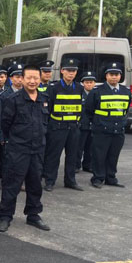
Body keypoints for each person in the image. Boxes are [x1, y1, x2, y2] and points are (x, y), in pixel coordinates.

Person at [0, 64, 50, 232]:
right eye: (29, 78)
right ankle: (5, 216)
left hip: (37, 150)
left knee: (35, 184)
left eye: (35, 78)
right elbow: (5, 124)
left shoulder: (44, 99)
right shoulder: (13, 99)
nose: (32, 81)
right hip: (18, 150)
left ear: (40, 79)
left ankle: (33, 215)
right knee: (11, 185)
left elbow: (46, 124)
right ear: (22, 79)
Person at [85, 62, 131, 189]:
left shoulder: (126, 92)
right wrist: (98, 123)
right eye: (111, 74)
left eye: (116, 74)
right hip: (102, 130)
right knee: (99, 156)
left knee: (113, 155)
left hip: (118, 130)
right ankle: (98, 178)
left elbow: (125, 109)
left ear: (120, 76)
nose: (114, 77)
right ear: (106, 76)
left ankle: (111, 177)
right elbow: (88, 110)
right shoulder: (97, 91)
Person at [42, 58, 84, 192]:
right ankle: (50, 181)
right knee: (53, 156)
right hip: (57, 128)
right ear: (62, 71)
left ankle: (70, 181)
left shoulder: (79, 88)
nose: (71, 73)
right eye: (68, 70)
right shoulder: (53, 88)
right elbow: (47, 109)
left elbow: (81, 107)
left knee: (72, 156)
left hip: (73, 128)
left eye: (74, 71)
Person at [76, 71, 96, 173]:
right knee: (78, 147)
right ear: (82, 83)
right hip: (81, 125)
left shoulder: (97, 94)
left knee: (91, 148)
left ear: (94, 83)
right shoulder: (79, 94)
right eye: (87, 82)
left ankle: (88, 165)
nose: (89, 84)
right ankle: (76, 165)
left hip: (93, 125)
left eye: (91, 82)